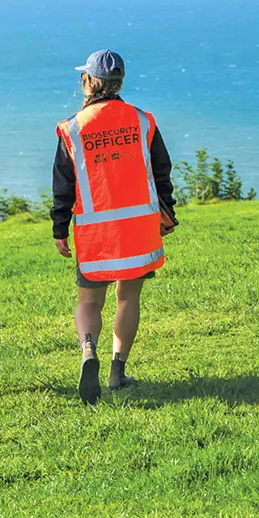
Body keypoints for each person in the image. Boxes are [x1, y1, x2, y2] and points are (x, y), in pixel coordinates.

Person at [51, 49, 177, 404]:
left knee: (90, 301)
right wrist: (167, 212)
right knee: (128, 298)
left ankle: (88, 348)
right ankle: (117, 370)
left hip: (96, 233)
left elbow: (63, 185)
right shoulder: (142, 121)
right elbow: (161, 171)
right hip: (138, 228)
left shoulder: (73, 128)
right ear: (119, 82)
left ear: (89, 81)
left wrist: (60, 228)